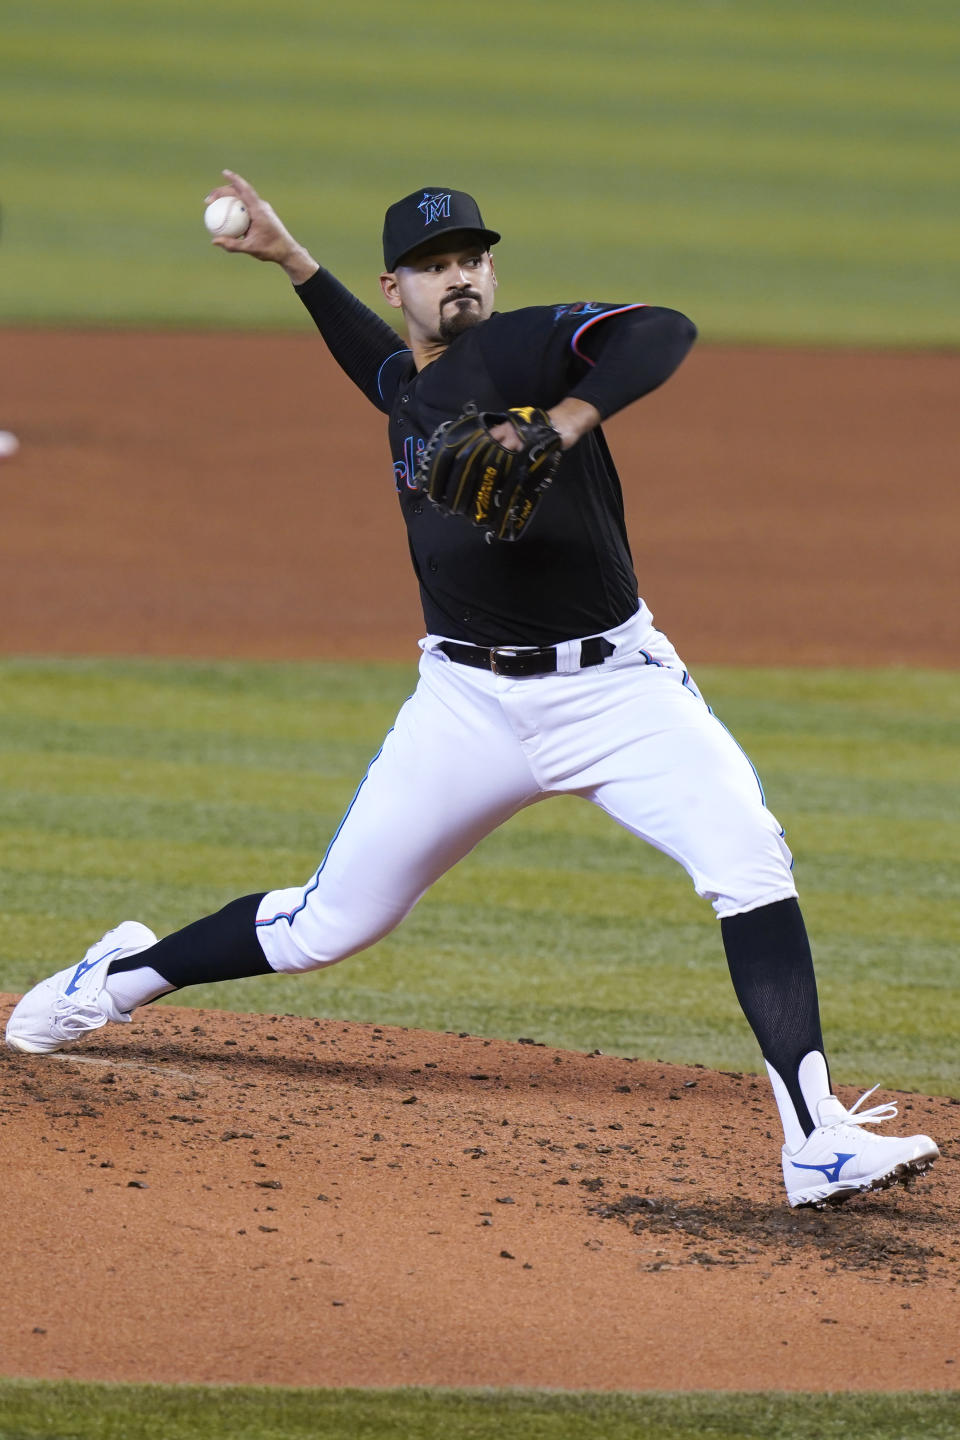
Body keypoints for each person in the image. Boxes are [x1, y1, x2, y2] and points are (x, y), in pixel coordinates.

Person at [6, 172, 938, 1211]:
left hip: (620, 694)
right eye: (434, 266)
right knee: (328, 926)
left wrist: (566, 419)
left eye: (471, 260)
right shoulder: (411, 382)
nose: (459, 279)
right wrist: (293, 263)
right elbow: (383, 370)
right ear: (397, 286)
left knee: (748, 856)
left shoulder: (532, 347)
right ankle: (117, 979)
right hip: (467, 709)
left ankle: (814, 1140)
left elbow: (664, 329)